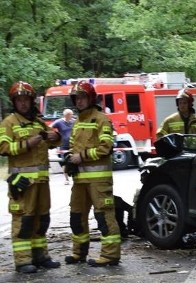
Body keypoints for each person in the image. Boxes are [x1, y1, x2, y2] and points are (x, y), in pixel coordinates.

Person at [0, 81, 62, 273]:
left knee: (42, 220)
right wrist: (28, 143)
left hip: (42, 183)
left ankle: (40, 256)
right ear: (14, 102)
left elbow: (51, 143)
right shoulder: (9, 123)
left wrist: (55, 137)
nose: (23, 103)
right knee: (23, 221)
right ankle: (23, 260)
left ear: (31, 101)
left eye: (26, 99)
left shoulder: (38, 122)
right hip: (23, 184)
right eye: (19, 100)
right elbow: (3, 148)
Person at [64, 80, 121, 267]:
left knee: (104, 216)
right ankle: (78, 252)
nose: (79, 101)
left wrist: (82, 156)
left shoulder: (101, 119)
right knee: (76, 216)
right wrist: (70, 160)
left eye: (82, 97)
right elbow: (73, 147)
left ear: (91, 98)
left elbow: (106, 148)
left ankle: (110, 255)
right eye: (76, 98)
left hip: (99, 181)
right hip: (79, 180)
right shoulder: (78, 121)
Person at [51, 108, 75, 184]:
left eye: (72, 114)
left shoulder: (74, 121)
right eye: (70, 115)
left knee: (74, 161)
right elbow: (49, 127)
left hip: (73, 144)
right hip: (63, 146)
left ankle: (75, 177)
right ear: (65, 115)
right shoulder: (59, 122)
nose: (71, 116)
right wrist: (55, 136)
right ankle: (66, 179)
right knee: (65, 162)